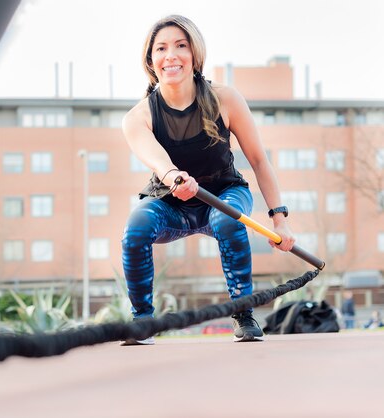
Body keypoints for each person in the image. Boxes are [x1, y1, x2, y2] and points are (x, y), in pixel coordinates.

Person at [120, 15, 295, 344]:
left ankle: (243, 313)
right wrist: (173, 177)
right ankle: (142, 321)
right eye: (161, 48)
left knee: (228, 220)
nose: (171, 54)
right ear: (151, 60)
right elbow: (157, 161)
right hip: (170, 203)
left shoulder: (226, 99)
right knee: (136, 228)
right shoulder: (138, 117)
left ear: (195, 54)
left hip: (225, 194)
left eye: (180, 46)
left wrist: (280, 220)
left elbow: (259, 160)